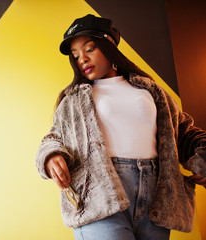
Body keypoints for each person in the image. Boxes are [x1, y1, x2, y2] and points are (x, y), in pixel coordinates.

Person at [35, 14, 206, 240]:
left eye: (90, 49)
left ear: (109, 47)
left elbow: (182, 132)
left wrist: (202, 158)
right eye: (76, 56)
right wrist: (50, 156)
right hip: (98, 196)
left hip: (156, 198)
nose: (82, 60)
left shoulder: (152, 91)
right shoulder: (73, 100)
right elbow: (53, 138)